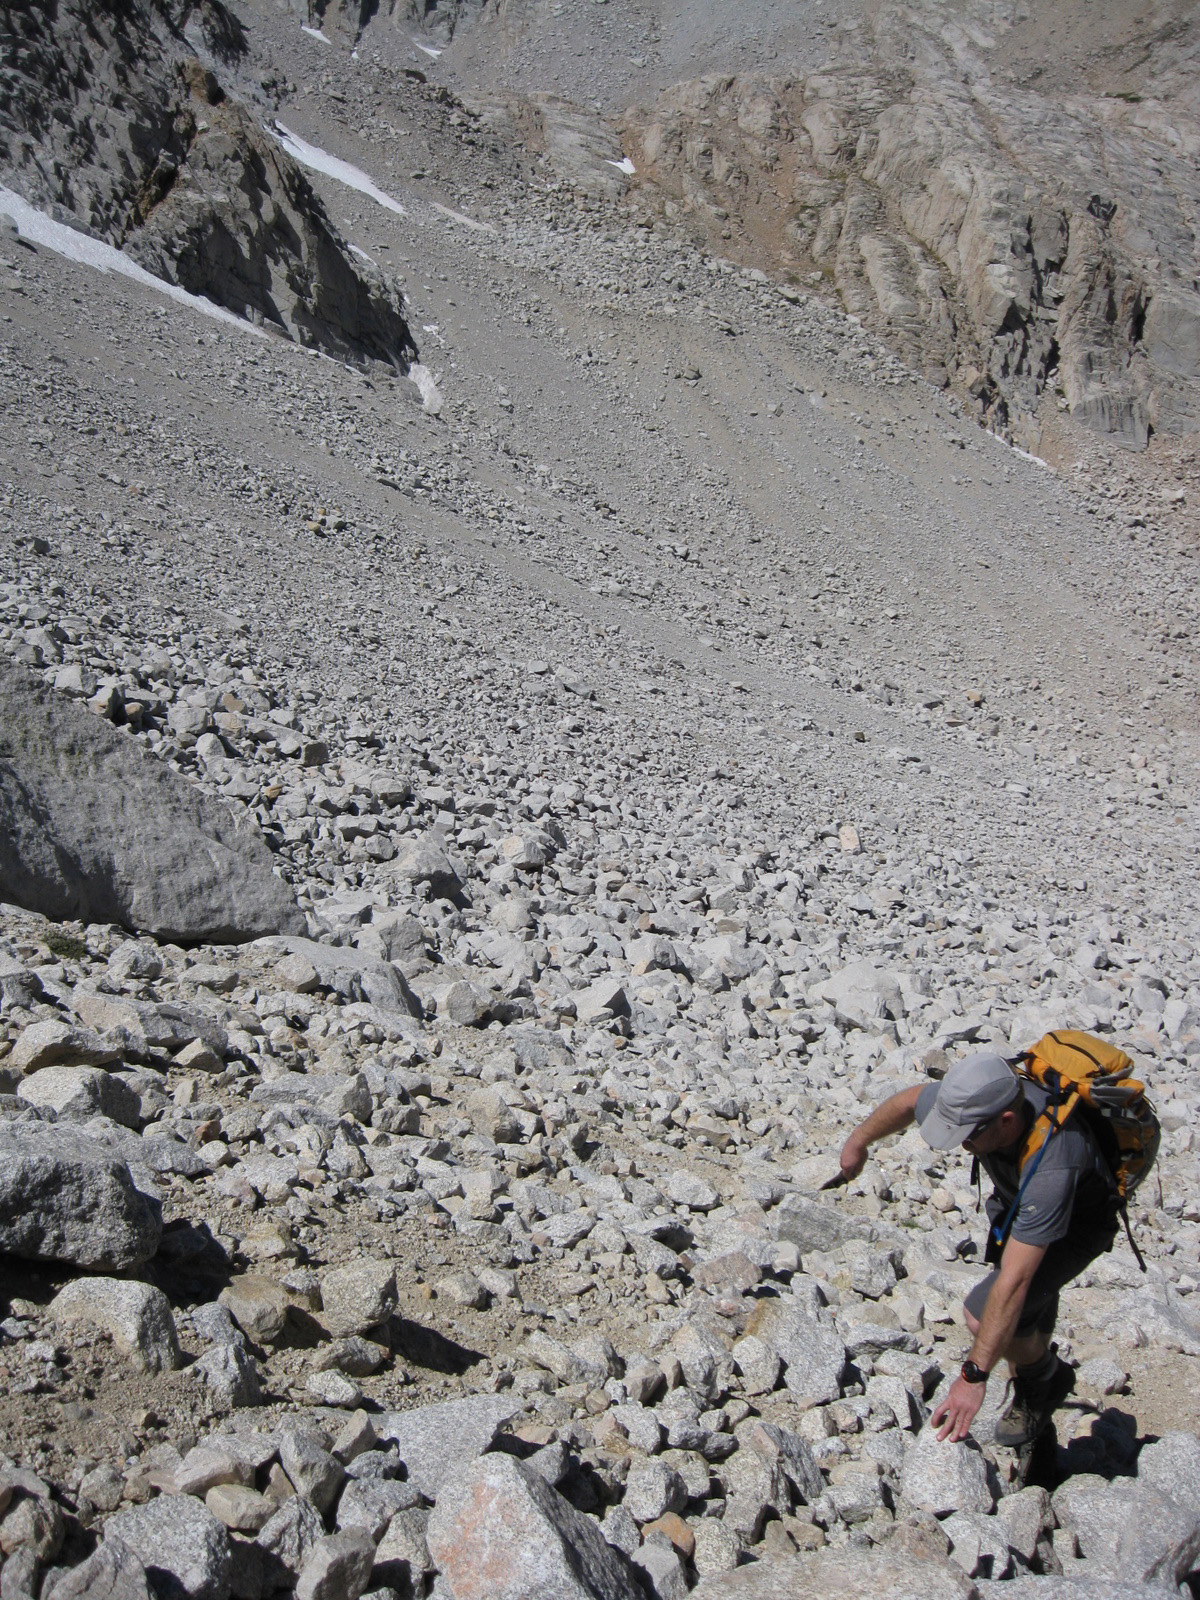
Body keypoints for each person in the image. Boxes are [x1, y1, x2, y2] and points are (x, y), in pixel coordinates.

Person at [839, 1051, 1119, 1447]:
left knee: (983, 1314)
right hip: (1019, 1201)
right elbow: (909, 1101)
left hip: (1077, 1226)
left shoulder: (1054, 1165)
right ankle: (1036, 1391)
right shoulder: (974, 1105)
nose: (961, 1143)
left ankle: (1045, 1379)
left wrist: (973, 1377)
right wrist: (859, 1141)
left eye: (968, 1136)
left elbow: (1014, 1281)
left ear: (1006, 1120)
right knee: (1021, 1316)